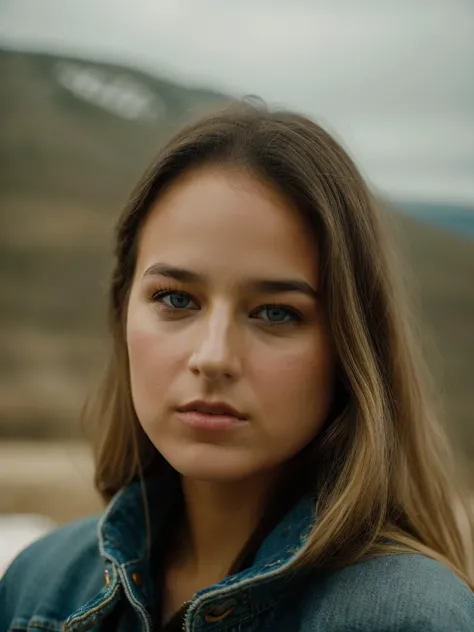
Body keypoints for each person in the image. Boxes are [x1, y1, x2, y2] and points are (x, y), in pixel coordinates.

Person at [1, 100, 473, 631]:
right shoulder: (38, 587)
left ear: (350, 346)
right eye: (176, 299)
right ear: (122, 309)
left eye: (276, 312)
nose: (214, 357)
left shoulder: (407, 617)